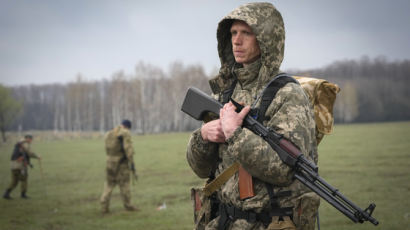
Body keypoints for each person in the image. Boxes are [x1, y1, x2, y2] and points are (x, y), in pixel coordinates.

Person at [186, 2, 319, 230]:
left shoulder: (287, 95)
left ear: (265, 39)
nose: (236, 41)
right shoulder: (225, 91)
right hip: (222, 222)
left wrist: (235, 135)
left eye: (246, 33)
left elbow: (285, 169)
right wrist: (203, 136)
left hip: (267, 223)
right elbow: (200, 169)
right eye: (233, 33)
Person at [100, 119, 138, 214]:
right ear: (128, 127)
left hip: (110, 162)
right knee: (124, 185)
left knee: (109, 184)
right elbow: (128, 149)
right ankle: (128, 205)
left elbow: (107, 148)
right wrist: (132, 164)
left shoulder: (110, 133)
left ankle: (104, 206)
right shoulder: (125, 133)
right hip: (121, 164)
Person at [3, 134, 41, 199]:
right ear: (28, 139)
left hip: (13, 165)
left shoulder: (19, 143)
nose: (31, 141)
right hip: (20, 165)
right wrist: (37, 157)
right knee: (24, 179)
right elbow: (30, 153)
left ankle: (6, 193)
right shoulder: (25, 144)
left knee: (14, 181)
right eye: (31, 139)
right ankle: (23, 194)